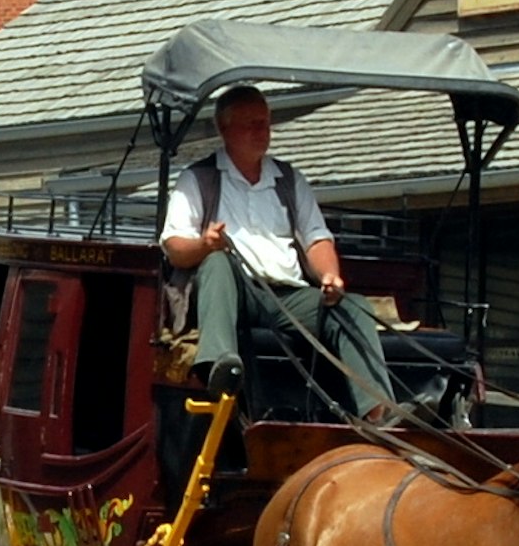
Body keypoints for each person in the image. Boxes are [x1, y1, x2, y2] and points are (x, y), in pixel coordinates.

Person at [158, 85, 396, 417]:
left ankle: (381, 412)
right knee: (217, 261)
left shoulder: (288, 179)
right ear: (224, 128)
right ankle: (220, 367)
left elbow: (316, 237)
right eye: (251, 124)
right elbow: (174, 249)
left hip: (287, 296)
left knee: (352, 307)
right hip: (231, 294)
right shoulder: (198, 179)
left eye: (265, 123)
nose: (262, 132)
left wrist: (329, 276)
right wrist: (205, 244)